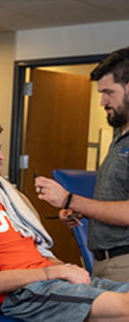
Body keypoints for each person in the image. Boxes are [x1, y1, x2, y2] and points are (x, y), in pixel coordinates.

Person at [0, 121, 129, 322]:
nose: (1, 156)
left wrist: (65, 269)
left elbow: (35, 255)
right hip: (24, 295)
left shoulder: (8, 204)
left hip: (50, 282)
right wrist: (58, 272)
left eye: (0, 149)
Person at [35, 46, 129, 281]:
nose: (102, 101)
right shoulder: (119, 134)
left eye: (108, 92)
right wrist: (82, 210)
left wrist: (69, 200)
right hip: (104, 261)